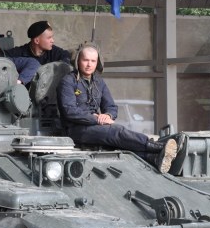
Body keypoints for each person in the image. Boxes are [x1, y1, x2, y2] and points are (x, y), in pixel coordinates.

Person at [57, 42, 177, 173]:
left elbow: (111, 106)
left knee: (118, 141)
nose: (89, 64)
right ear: (78, 61)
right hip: (75, 129)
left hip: (95, 126)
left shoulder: (98, 82)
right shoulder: (68, 81)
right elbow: (69, 111)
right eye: (85, 60)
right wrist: (96, 119)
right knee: (117, 132)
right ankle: (158, 147)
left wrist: (107, 115)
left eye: (93, 61)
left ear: (98, 63)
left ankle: (153, 157)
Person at [5, 20, 71, 65]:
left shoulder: (53, 51)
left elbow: (66, 55)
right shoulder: (20, 52)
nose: (53, 40)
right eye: (49, 38)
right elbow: (3, 57)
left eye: (52, 37)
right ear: (37, 41)